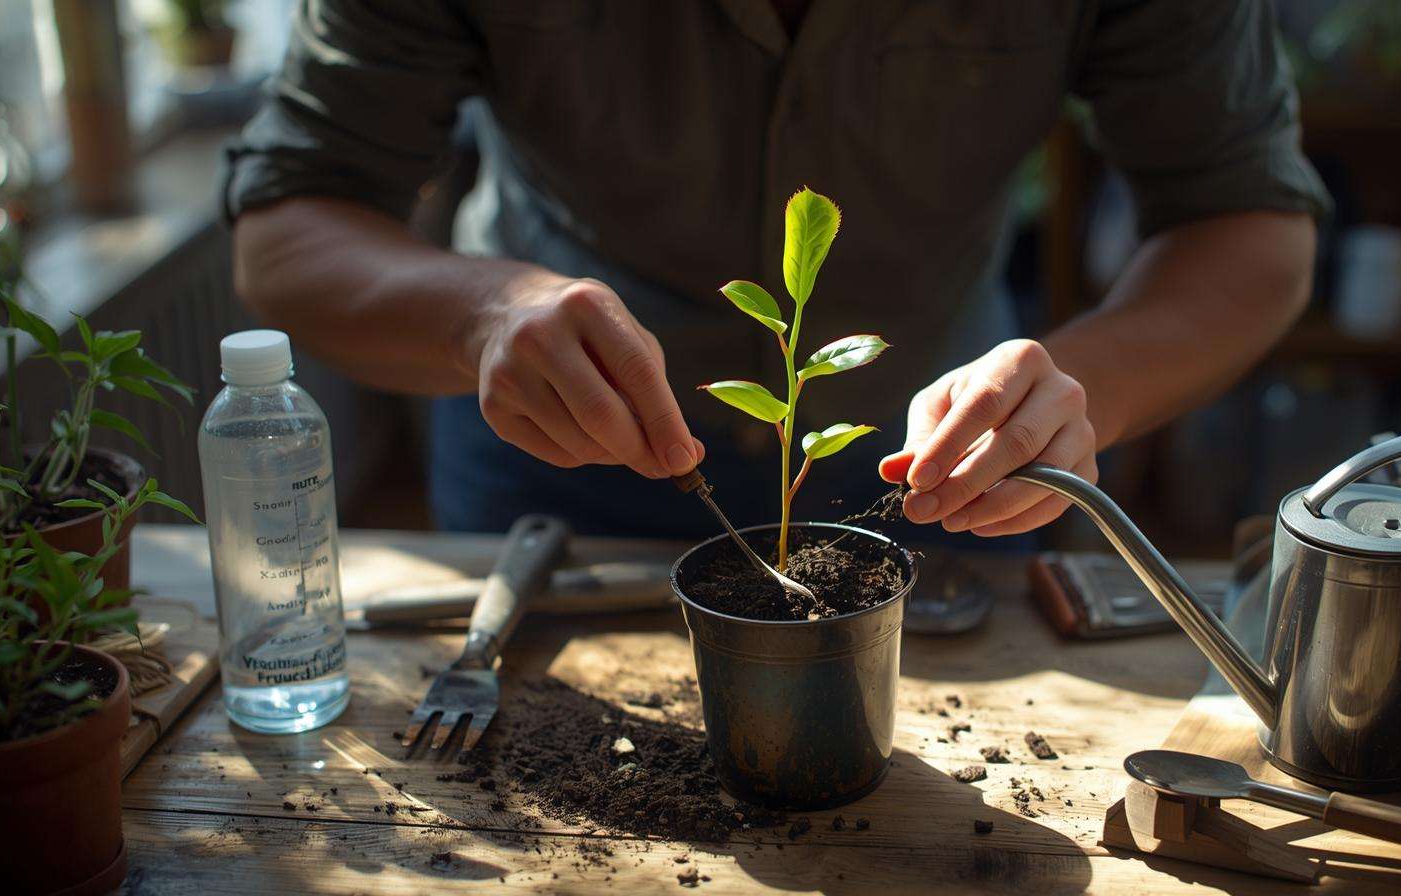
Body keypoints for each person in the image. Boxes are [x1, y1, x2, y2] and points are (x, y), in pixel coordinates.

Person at [226, 1, 1327, 540]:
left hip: (939, 487)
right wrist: (481, 314)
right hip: (552, 479)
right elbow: (287, 227)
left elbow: (1245, 218)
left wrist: (1083, 390)